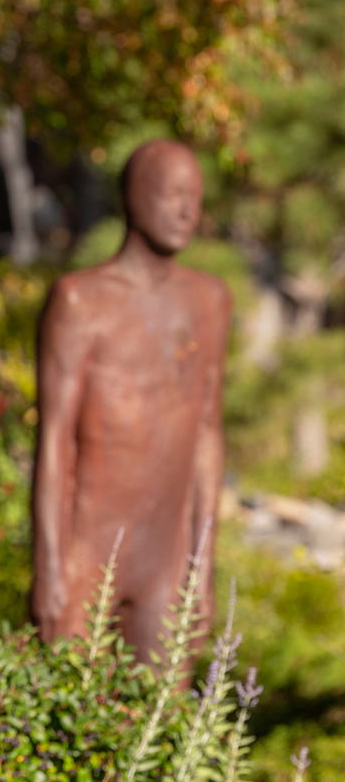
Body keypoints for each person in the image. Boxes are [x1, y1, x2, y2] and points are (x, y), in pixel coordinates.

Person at [32, 140, 230, 663]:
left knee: (161, 723)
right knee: (71, 721)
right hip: (86, 552)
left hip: (165, 558)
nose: (188, 210)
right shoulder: (81, 302)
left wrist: (201, 564)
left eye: (196, 196)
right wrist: (51, 568)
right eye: (172, 195)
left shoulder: (209, 302)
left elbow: (208, 434)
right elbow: (54, 440)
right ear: (136, 197)